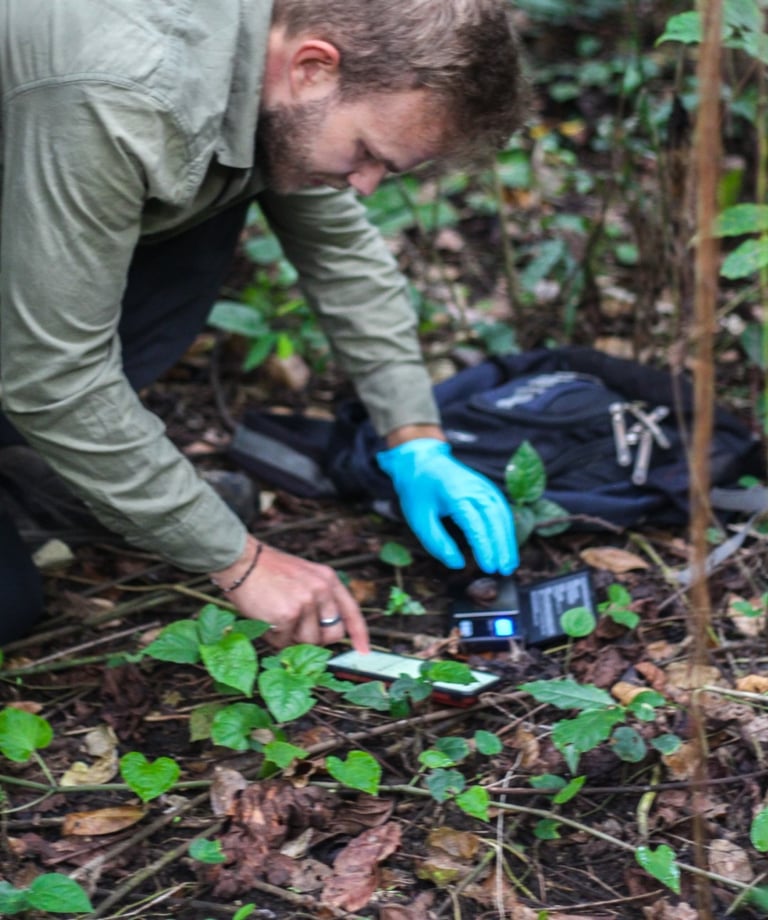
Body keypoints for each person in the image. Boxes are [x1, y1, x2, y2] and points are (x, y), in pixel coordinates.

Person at [0, 0, 525, 649]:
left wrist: (415, 439)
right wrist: (240, 562)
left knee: (238, 176)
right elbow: (54, 376)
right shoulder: (125, 92)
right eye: (366, 153)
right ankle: (58, 453)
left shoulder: (280, 69)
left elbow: (341, 254)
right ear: (312, 67)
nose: (366, 186)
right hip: (46, 221)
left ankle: (52, 457)